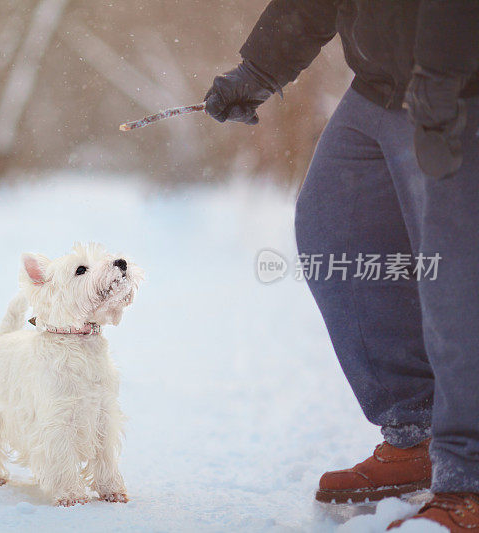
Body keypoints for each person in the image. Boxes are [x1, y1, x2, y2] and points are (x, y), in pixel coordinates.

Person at [203, 1, 479, 530]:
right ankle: (417, 432)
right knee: (337, 238)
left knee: (455, 279)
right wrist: (261, 69)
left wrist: (445, 72)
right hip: (379, 87)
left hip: (457, 86)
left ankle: (466, 475)